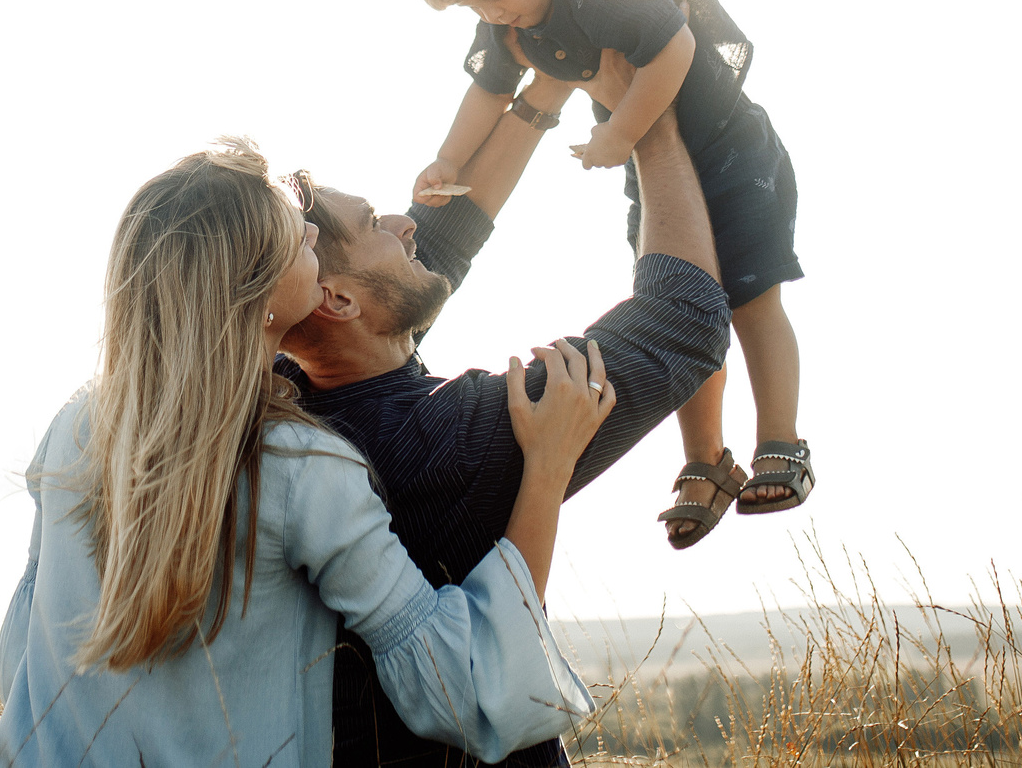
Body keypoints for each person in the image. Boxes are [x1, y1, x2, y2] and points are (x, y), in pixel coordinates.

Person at [0, 138, 612, 768]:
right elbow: (467, 691)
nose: (312, 230)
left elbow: (23, 649)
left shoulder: (76, 425)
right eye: (295, 234)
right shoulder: (303, 467)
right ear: (260, 290)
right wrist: (547, 470)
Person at [280, 58, 730, 768]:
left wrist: (545, 87)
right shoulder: (447, 438)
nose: (404, 222)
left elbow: (443, 237)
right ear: (337, 300)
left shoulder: (295, 394)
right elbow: (687, 316)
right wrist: (650, 120)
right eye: (372, 222)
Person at [405, 0, 815, 546]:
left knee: (752, 295)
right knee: (682, 295)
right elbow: (490, 89)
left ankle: (782, 438)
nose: (492, 13)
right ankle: (706, 458)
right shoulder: (510, 17)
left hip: (730, 150)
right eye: (476, 6)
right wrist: (449, 157)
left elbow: (673, 49)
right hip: (653, 171)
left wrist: (622, 131)